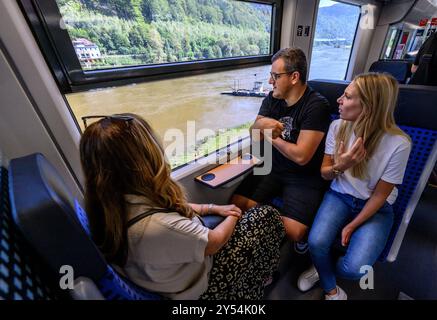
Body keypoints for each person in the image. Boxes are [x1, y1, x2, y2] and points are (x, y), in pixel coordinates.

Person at [79, 113, 285, 300]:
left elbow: (169, 208)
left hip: (169, 273)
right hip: (202, 287)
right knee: (266, 216)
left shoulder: (113, 204)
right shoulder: (156, 228)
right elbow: (214, 242)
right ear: (144, 159)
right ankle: (252, 284)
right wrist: (233, 213)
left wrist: (211, 208)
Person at [297, 73, 412, 300]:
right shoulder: (337, 127)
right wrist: (342, 165)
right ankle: (330, 286)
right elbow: (325, 174)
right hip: (339, 195)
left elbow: (380, 196)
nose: (339, 100)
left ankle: (323, 268)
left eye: (347, 97)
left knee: (355, 269)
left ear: (368, 107)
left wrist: (352, 226)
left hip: (375, 207)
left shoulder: (399, 143)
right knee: (316, 243)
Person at [231, 47, 331, 245]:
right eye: (270, 76)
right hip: (272, 167)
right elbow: (254, 134)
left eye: (275, 76)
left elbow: (302, 156)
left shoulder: (316, 106)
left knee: (294, 233)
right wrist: (260, 126)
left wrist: (271, 136)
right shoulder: (272, 99)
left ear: (294, 77)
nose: (270, 82)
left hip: (303, 175)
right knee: (236, 206)